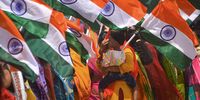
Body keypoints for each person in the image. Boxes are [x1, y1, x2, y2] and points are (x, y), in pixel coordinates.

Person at [97, 30, 136, 100]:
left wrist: (112, 67)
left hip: (123, 77)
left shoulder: (127, 51)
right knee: (101, 86)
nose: (109, 41)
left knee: (135, 86)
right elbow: (102, 68)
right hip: (112, 79)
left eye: (111, 39)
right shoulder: (109, 51)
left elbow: (129, 67)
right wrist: (102, 50)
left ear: (116, 41)